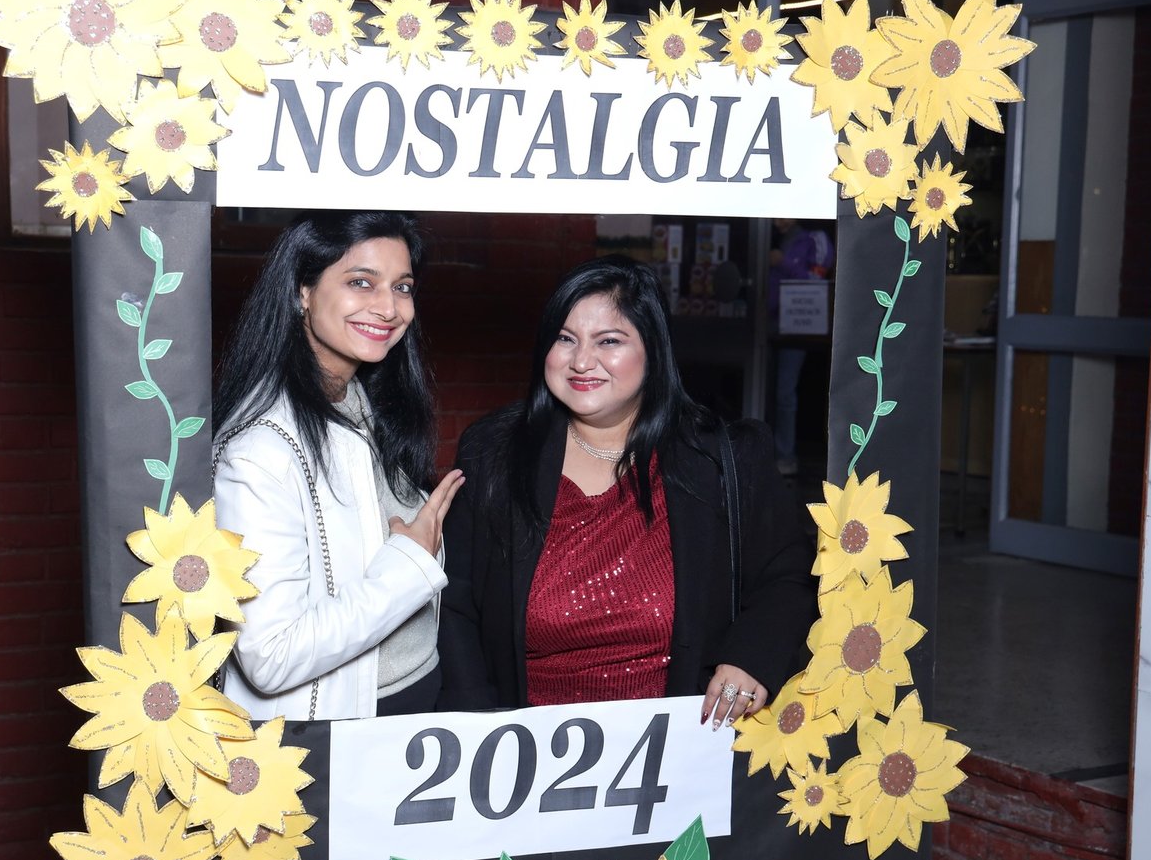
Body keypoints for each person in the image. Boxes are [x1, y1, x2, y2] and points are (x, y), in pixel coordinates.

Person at [438, 255, 815, 728]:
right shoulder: (495, 452)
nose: (581, 361)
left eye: (609, 341)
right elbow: (455, 604)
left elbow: (788, 576)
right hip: (526, 750)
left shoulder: (724, 459)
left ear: (653, 350)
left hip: (680, 745)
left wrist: (750, 657)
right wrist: (477, 726)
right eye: (565, 338)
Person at [212, 211, 464, 720]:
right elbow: (270, 656)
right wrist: (411, 564)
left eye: (402, 287)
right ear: (302, 291)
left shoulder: (361, 404)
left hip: (413, 701)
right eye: (361, 282)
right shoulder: (261, 450)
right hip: (344, 728)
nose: (389, 308)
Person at [768, 218, 835, 477]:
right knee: (765, 391)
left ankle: (785, 457)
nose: (778, 220)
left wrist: (782, 262)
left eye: (783, 214)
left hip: (797, 327)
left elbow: (816, 281)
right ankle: (762, 455)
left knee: (785, 392)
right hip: (766, 325)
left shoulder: (814, 238)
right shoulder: (766, 238)